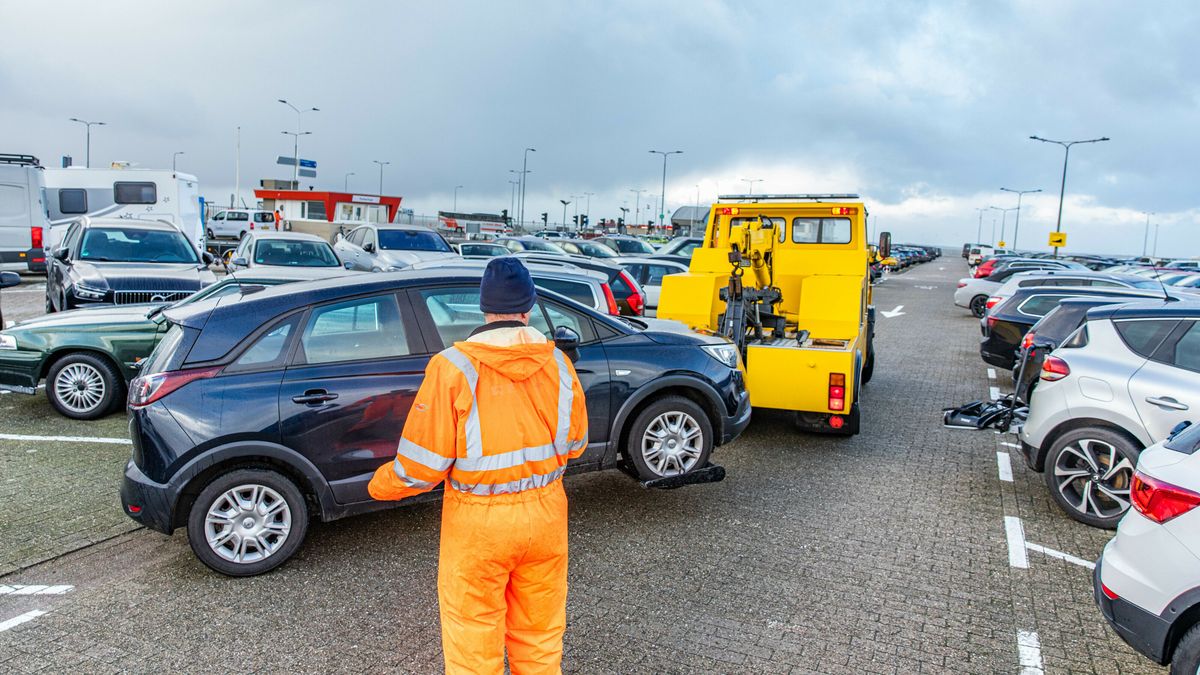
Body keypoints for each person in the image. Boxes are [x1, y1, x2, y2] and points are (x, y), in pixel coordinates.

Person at [368, 257, 588, 675]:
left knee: (473, 634)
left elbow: (421, 468)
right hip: (546, 517)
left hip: (479, 526)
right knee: (540, 634)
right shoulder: (560, 364)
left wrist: (380, 484)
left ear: (484, 308)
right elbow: (576, 444)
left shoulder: (452, 367)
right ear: (528, 307)